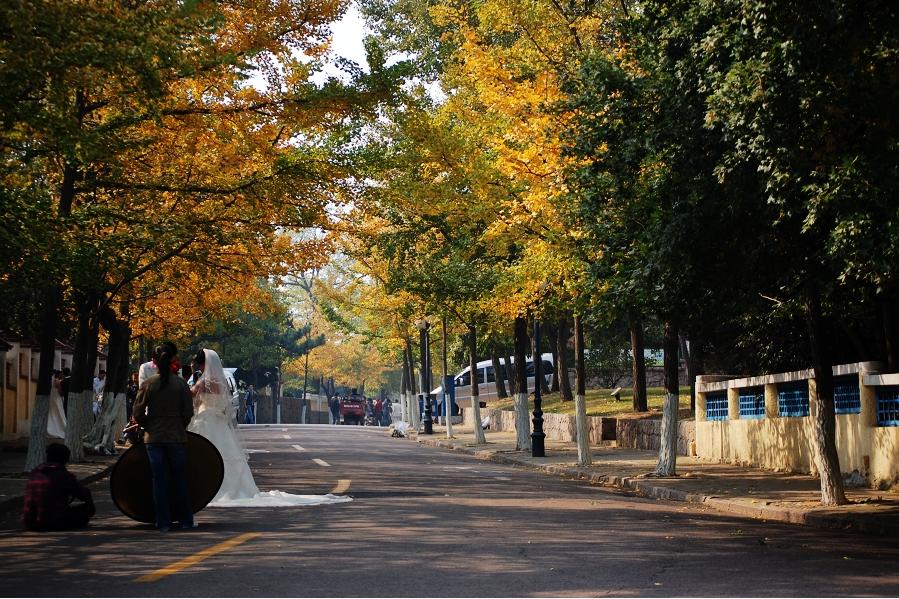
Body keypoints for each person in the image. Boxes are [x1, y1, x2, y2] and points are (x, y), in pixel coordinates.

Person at [188, 348, 351, 508]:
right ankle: (235, 488)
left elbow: (190, 394)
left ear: (203, 364)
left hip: (206, 419)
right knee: (224, 454)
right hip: (219, 422)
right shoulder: (222, 380)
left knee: (204, 454)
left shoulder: (204, 381)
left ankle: (205, 489)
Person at [133, 342, 194, 532]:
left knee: (159, 481)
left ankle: (163, 522)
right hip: (176, 437)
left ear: (155, 362)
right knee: (180, 479)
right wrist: (179, 425)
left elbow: (138, 411)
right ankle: (185, 520)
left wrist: (148, 424)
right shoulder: (181, 384)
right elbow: (188, 412)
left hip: (154, 438)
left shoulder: (149, 384)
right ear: (172, 361)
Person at [22, 443, 95, 531]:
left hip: (30, 523)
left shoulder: (35, 472)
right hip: (53, 522)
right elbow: (83, 495)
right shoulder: (64, 476)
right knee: (88, 508)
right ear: (65, 459)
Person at [47, 370, 67, 439]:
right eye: (61, 374)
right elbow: (61, 392)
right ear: (58, 375)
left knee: (52, 413)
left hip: (52, 397)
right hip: (57, 398)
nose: (62, 375)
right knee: (59, 412)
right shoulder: (58, 382)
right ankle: (59, 428)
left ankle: (51, 427)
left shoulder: (51, 381)